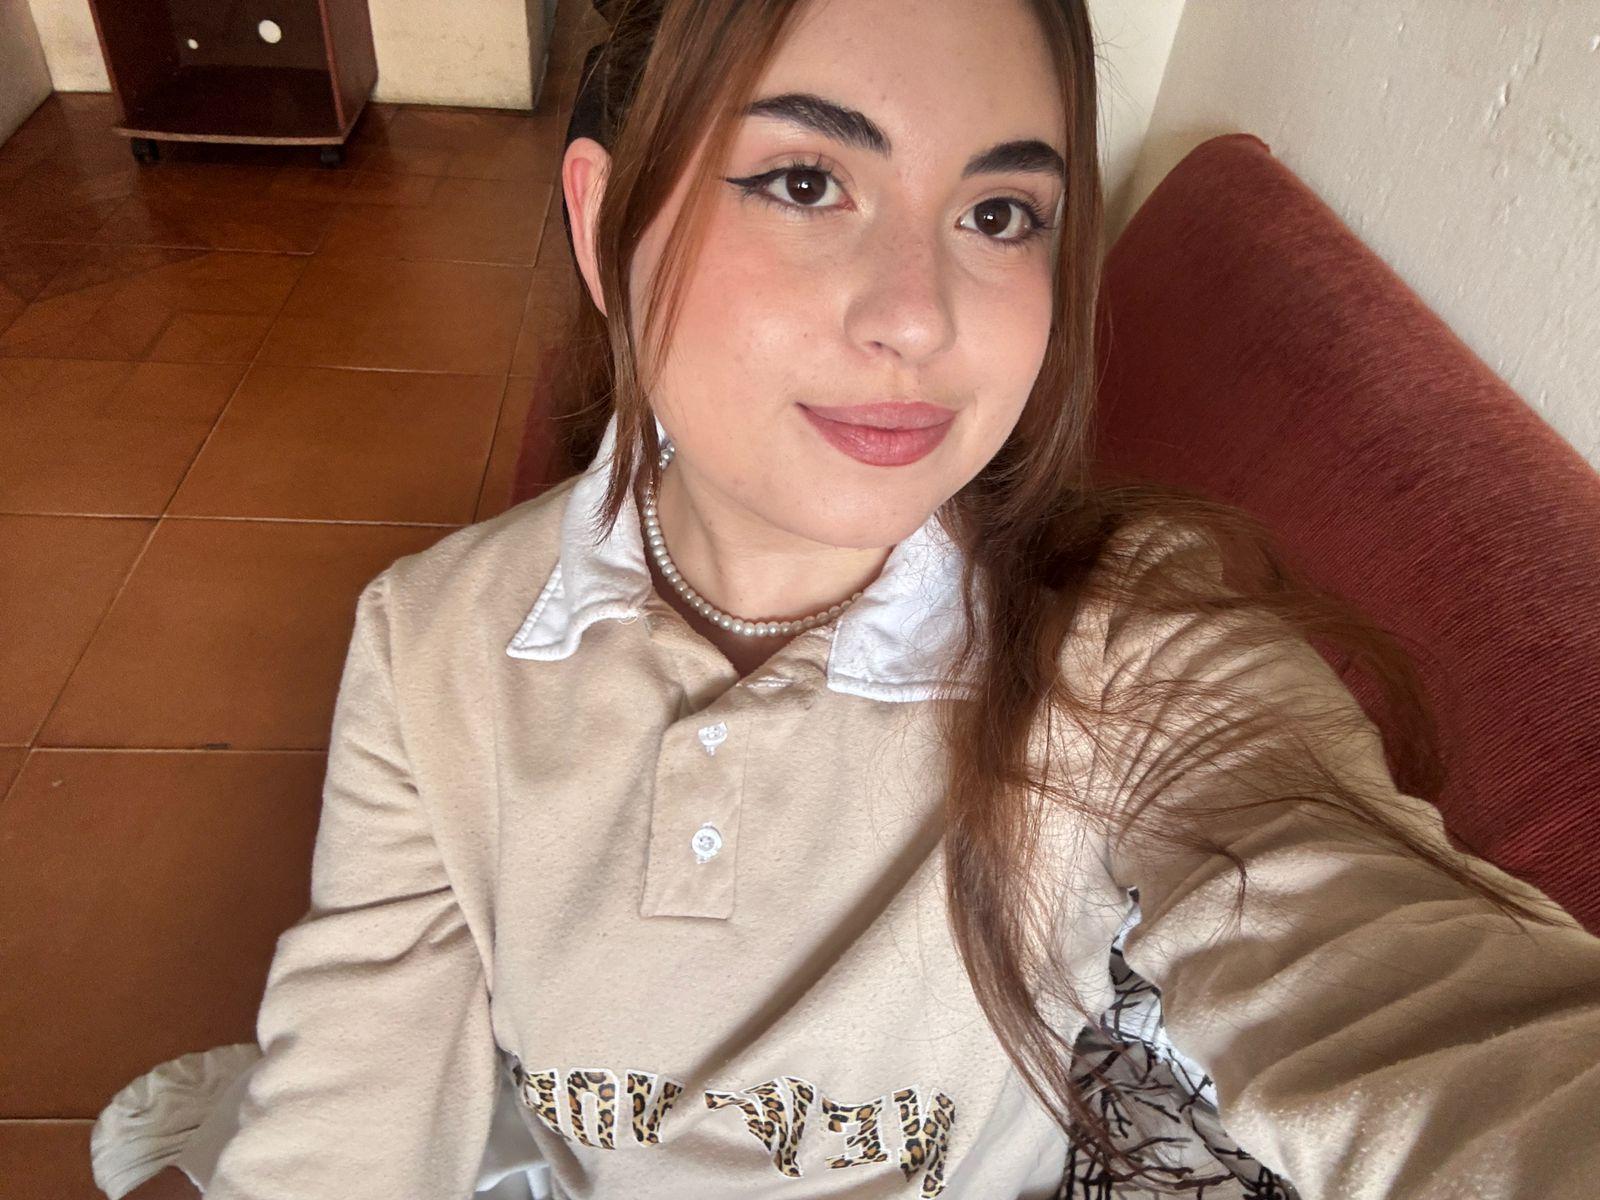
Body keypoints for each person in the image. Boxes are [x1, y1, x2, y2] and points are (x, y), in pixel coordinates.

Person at [92, 1, 1600, 1198]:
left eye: (999, 213)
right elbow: (352, 1115)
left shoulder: (1132, 650)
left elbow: (1425, 1012)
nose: (918, 318)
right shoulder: (432, 643)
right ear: (605, 225)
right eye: (807, 182)